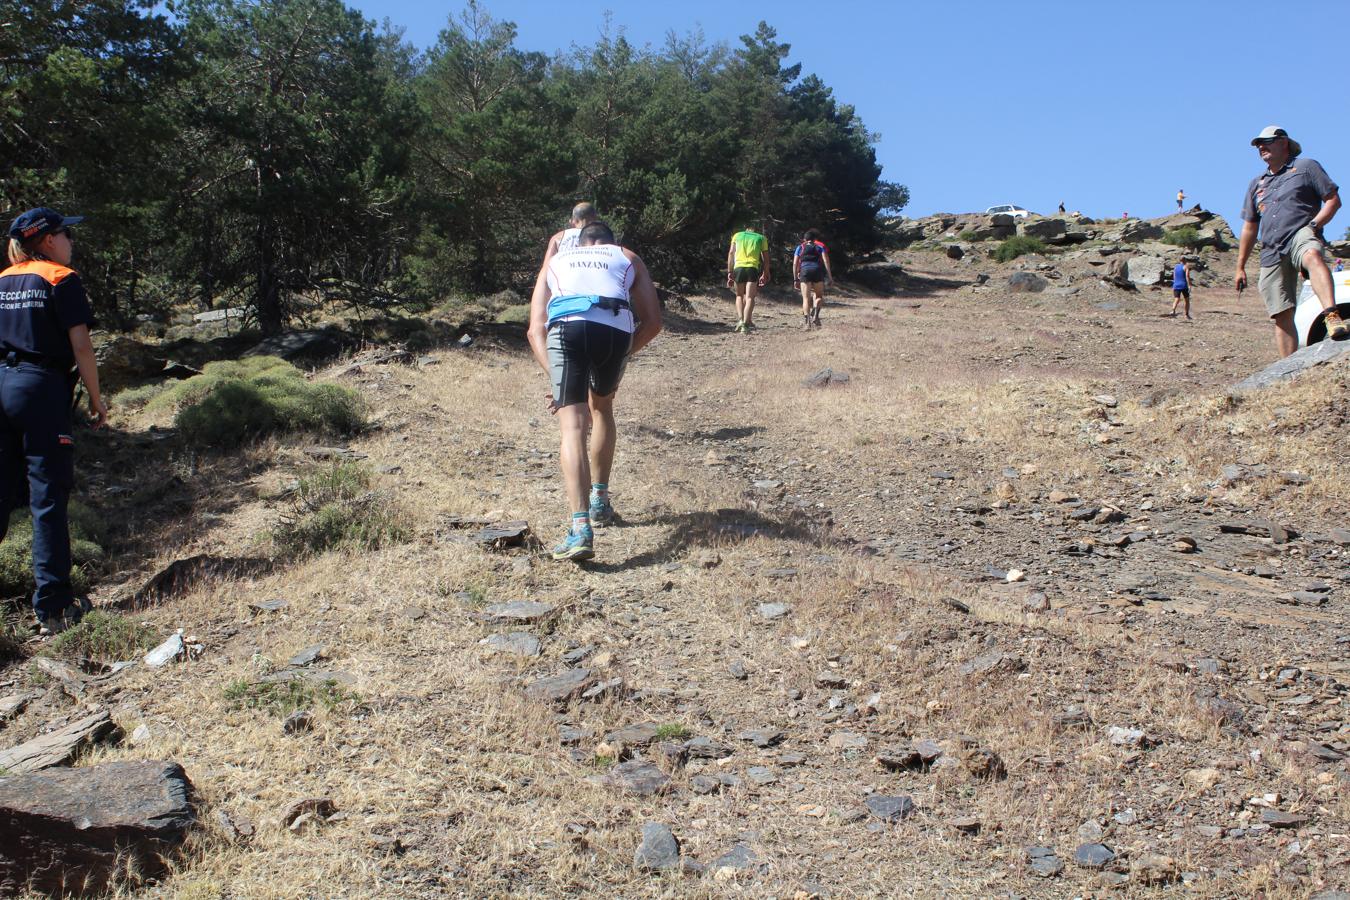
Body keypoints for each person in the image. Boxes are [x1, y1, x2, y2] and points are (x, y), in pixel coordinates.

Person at [527, 221, 661, 562]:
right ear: (610, 243)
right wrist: (623, 352)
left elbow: (534, 330)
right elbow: (654, 322)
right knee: (602, 408)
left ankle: (580, 527)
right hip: (614, 331)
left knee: (572, 426)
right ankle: (600, 500)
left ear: (581, 242)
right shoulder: (627, 256)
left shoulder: (557, 261)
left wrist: (557, 376)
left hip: (567, 330)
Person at [1, 208, 107, 635]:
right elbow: (81, 347)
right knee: (47, 498)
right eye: (66, 234)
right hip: (40, 389)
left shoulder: (3, 281)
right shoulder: (61, 278)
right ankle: (54, 607)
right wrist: (96, 400)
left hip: (2, 383)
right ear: (47, 240)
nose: (71, 241)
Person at [1235, 126, 1347, 356]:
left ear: (1283, 142)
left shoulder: (1306, 167)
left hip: (1301, 232)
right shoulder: (1257, 184)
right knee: (1281, 312)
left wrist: (1314, 226)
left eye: (1266, 141)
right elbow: (1249, 227)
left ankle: (1331, 316)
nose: (1261, 147)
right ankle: (1288, 367)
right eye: (1258, 144)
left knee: (1312, 255)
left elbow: (1333, 200)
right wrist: (1240, 266)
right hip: (1271, 249)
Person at [725, 224, 769, 333]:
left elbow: (731, 253)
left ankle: (740, 320)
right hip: (752, 268)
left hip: (738, 267)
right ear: (756, 230)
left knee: (739, 295)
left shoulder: (737, 235)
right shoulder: (761, 238)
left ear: (746, 228)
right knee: (750, 297)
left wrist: (730, 271)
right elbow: (766, 259)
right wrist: (765, 273)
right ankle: (746, 323)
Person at [792, 229, 834, 328]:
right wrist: (830, 276)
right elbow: (826, 261)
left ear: (805, 239)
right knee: (819, 296)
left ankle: (807, 323)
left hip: (805, 271)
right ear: (814, 239)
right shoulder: (819, 246)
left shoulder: (800, 247)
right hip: (817, 271)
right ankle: (815, 316)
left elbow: (795, 263)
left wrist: (795, 278)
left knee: (806, 299)